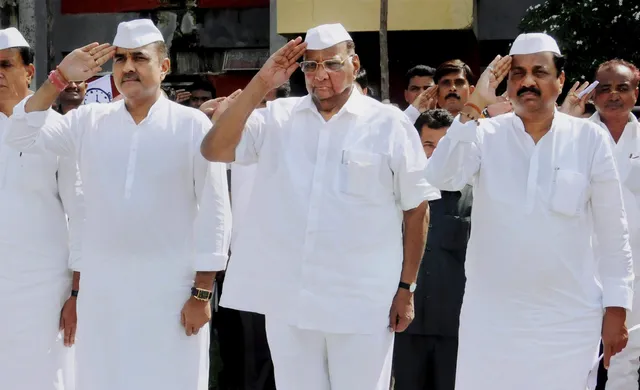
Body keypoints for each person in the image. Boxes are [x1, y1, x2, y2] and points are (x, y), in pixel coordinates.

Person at [201, 23, 440, 390]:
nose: (320, 76)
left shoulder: (388, 123)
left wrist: (406, 287)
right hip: (290, 302)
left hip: (362, 302)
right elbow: (215, 149)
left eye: (331, 64)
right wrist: (261, 83)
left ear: (354, 63)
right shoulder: (277, 117)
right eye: (310, 67)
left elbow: (416, 208)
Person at [4, 19, 231, 390]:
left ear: (164, 66)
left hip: (170, 291)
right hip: (104, 292)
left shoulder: (192, 125)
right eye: (120, 59)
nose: (128, 68)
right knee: (102, 379)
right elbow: (22, 133)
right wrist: (58, 78)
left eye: (139, 58)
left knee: (171, 379)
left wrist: (202, 291)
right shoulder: (88, 121)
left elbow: (215, 208)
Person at [425, 33, 633, 390]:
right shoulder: (484, 133)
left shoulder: (588, 140)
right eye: (518, 73)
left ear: (561, 80)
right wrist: (474, 106)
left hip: (567, 320)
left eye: (539, 71)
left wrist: (617, 308)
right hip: (492, 321)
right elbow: (440, 175)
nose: (527, 82)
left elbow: (613, 230)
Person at [0, 27, 82, 390]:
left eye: (5, 65)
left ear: (29, 72)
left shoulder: (58, 129)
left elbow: (82, 215)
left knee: (45, 378)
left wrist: (77, 293)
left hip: (44, 288)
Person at [561, 59, 640, 390]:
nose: (613, 95)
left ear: (636, 93)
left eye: (622, 88)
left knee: (626, 356)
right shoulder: (573, 135)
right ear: (591, 95)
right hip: (580, 263)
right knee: (576, 353)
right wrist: (565, 117)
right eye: (604, 88)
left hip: (634, 264)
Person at [393, 109, 472, 390]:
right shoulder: (394, 199)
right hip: (403, 324)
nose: (436, 154)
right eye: (428, 145)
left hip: (455, 328)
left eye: (442, 146)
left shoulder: (474, 197)